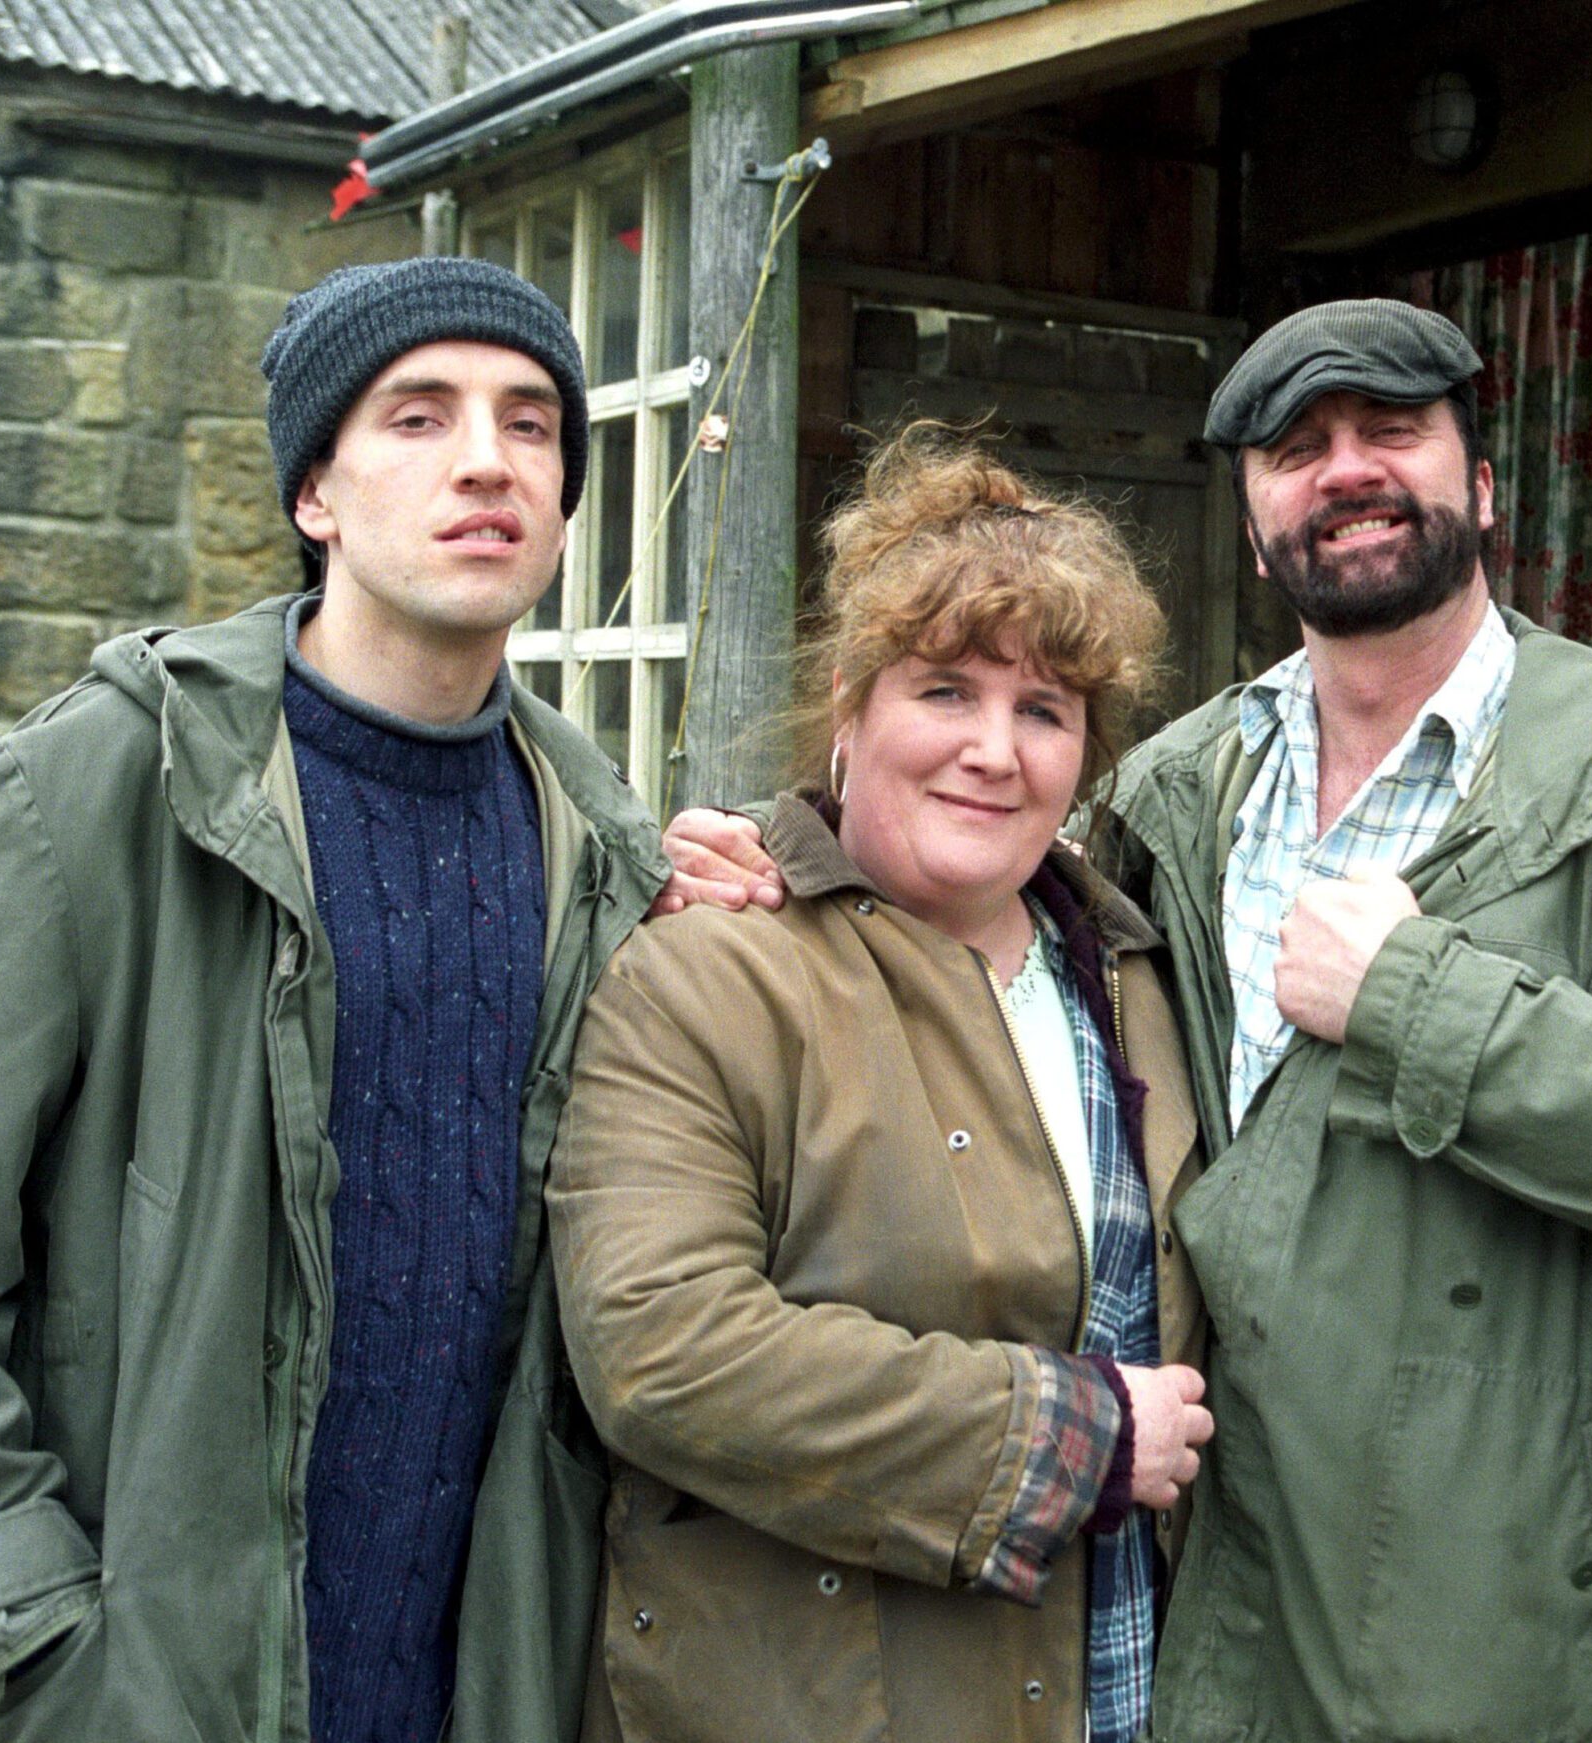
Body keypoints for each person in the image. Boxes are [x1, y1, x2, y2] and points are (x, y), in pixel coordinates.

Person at [661, 301, 1592, 1742]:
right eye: (1295, 447)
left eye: (1391, 430)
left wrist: (1411, 995)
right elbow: (967, 879)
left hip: (1504, 1625)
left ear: (1484, 483)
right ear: (1257, 516)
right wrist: (774, 854)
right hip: (1220, 1587)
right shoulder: (1181, 789)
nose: (1345, 469)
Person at [0, 256, 668, 1743]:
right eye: (417, 416)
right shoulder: (87, 800)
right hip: (129, 1693)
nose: (483, 461)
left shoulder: (606, 852)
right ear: (314, 493)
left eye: (530, 426)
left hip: (468, 1690)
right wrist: (30, 1643)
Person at [547, 424, 1210, 1743]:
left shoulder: (1138, 980)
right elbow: (659, 1350)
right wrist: (1060, 1439)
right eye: (946, 692)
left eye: (1044, 712)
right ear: (849, 702)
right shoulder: (711, 974)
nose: (994, 750)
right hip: (814, 1700)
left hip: (1117, 1684)